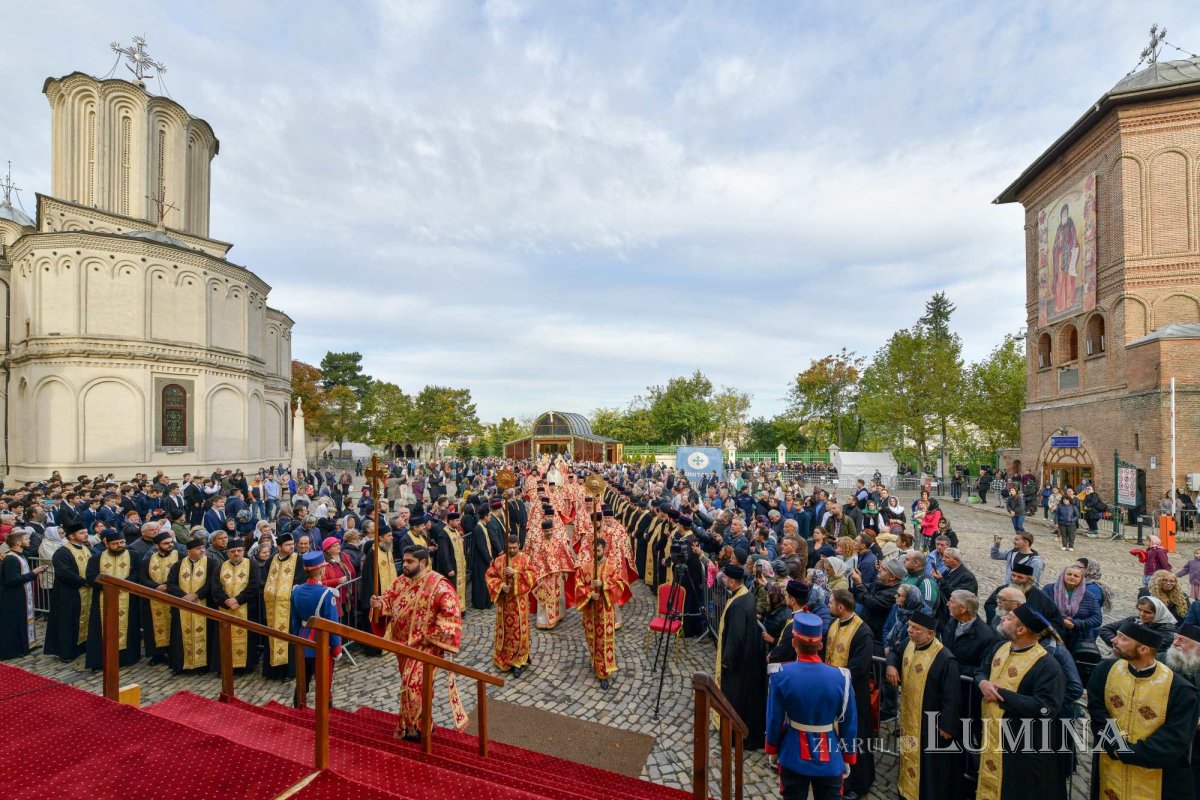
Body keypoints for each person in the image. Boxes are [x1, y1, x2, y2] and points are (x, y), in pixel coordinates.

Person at [1088, 620, 1198, 800]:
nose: (1114, 641)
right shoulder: (1105, 671)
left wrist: (1127, 752)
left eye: (1123, 639)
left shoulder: (1180, 690)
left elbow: (1174, 738)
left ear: (1143, 649)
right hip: (1110, 765)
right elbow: (1098, 710)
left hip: (1159, 777)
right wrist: (1113, 745)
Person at [370, 545, 467, 741]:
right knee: (415, 687)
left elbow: (451, 617)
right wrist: (379, 604)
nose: (404, 565)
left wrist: (428, 636)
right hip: (402, 647)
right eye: (403, 561)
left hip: (425, 648)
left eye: (409, 561)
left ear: (422, 563)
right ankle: (421, 725)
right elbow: (388, 600)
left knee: (412, 686)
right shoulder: (401, 582)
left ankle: (415, 729)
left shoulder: (439, 585)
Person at [974, 603, 1066, 800]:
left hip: (1020, 746)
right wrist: (982, 682)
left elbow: (1046, 707)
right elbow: (981, 669)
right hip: (991, 734)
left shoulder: (1047, 666)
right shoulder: (1000, 647)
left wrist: (1001, 695)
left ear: (1022, 629)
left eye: (1009, 617)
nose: (1002, 618)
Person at [765, 611, 859, 800]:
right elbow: (849, 723)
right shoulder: (841, 678)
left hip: (792, 753)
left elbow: (774, 719)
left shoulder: (780, 675)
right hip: (830, 755)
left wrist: (772, 749)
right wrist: (848, 756)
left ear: (793, 642)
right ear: (820, 645)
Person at [886, 609, 961, 800]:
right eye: (910, 626)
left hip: (930, 723)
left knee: (929, 766)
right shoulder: (909, 644)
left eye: (916, 629)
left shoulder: (944, 659)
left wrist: (946, 724)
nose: (910, 631)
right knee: (907, 753)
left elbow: (951, 696)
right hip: (909, 716)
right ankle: (905, 790)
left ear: (930, 633)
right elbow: (895, 651)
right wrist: (892, 665)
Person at [825, 588, 875, 799]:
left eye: (831, 602)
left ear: (841, 607)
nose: (828, 605)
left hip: (853, 695)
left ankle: (858, 784)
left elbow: (859, 667)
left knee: (856, 739)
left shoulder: (863, 632)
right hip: (833, 694)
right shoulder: (834, 623)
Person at [714, 562, 767, 750]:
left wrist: (727, 661)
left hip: (738, 664)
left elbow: (736, 636)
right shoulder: (746, 595)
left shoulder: (738, 604)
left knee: (736, 700)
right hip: (747, 659)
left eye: (727, 579)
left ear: (732, 581)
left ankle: (734, 736)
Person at [573, 537, 627, 690]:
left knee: (604, 641)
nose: (595, 552)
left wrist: (603, 585)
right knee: (592, 639)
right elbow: (578, 584)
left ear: (604, 549)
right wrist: (590, 594)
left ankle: (604, 672)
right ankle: (595, 661)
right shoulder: (585, 567)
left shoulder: (612, 566)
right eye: (593, 549)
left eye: (598, 550)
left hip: (605, 611)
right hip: (590, 612)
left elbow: (620, 584)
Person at [84, 529, 142, 671]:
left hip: (128, 599)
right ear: (107, 544)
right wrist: (109, 587)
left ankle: (127, 658)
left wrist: (124, 584)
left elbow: (138, 574)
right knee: (101, 629)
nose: (120, 545)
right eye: (115, 543)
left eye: (122, 542)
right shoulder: (96, 559)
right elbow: (91, 577)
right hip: (104, 598)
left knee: (129, 627)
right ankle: (100, 661)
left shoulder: (134, 556)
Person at [290, 550, 341, 704]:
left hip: (302, 638)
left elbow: (294, 619)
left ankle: (298, 706)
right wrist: (336, 647)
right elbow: (332, 624)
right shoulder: (326, 593)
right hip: (321, 640)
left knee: (302, 679)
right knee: (324, 681)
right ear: (320, 570)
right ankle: (326, 712)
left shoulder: (296, 590)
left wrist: (297, 637)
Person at [485, 534, 536, 676]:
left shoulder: (526, 559)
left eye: (515, 548)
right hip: (504, 605)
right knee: (506, 632)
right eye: (510, 548)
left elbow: (532, 576)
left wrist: (516, 574)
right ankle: (505, 657)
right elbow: (490, 576)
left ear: (519, 545)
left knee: (519, 632)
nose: (512, 550)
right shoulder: (500, 560)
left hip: (520, 605)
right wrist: (501, 586)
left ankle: (519, 660)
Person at [43, 521, 92, 662]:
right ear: (71, 536)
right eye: (82, 533)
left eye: (86, 532)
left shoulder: (85, 549)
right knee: (67, 623)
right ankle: (66, 652)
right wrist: (84, 582)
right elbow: (64, 573)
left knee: (83, 620)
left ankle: (82, 646)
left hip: (85, 592)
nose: (86, 534)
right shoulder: (62, 552)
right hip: (68, 593)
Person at [166, 537, 216, 673]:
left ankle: (202, 665)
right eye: (198, 548)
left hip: (204, 604)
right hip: (182, 605)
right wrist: (184, 596)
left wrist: (197, 594)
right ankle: (181, 665)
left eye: (203, 548)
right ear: (189, 551)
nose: (202, 550)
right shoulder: (178, 565)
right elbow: (170, 584)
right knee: (180, 635)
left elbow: (212, 582)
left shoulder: (211, 564)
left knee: (205, 634)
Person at [0, 530, 49, 659]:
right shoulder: (11, 558)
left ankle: (27, 645)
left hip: (22, 595)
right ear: (18, 542)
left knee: (25, 621)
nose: (29, 541)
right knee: (14, 623)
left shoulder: (20, 555)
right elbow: (11, 580)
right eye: (26, 539)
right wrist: (33, 573)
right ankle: (16, 649)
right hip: (13, 597)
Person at [1164, 625, 1200, 797]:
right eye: (1175, 639)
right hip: (1166, 737)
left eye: (1182, 641)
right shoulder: (1161, 661)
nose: (1175, 643)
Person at [261, 532, 303, 679]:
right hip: (272, 608)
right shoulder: (271, 560)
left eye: (292, 544)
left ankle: (289, 671)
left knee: (289, 639)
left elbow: (300, 580)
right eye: (287, 545)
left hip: (289, 608)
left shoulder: (298, 560)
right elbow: (264, 580)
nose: (291, 547)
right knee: (272, 637)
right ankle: (273, 671)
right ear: (279, 547)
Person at [138, 530, 180, 665]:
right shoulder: (148, 560)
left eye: (170, 542)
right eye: (166, 543)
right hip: (154, 598)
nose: (170, 545)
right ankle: (157, 655)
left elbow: (182, 575)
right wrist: (156, 587)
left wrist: (168, 586)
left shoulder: (180, 556)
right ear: (157, 545)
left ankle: (173, 653)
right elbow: (143, 577)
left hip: (173, 596)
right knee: (153, 626)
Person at [469, 504, 496, 610]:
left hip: (484, 559)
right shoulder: (478, 528)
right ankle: (481, 602)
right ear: (484, 516)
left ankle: (487, 600)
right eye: (489, 515)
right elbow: (481, 546)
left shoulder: (484, 526)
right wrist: (489, 558)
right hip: (480, 561)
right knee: (481, 581)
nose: (490, 517)